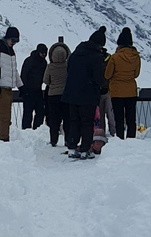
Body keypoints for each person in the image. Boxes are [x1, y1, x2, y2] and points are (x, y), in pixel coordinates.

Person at [61, 27, 106, 159]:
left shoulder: (75, 54)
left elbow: (69, 71)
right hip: (87, 94)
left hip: (71, 94)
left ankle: (72, 147)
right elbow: (98, 78)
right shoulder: (96, 57)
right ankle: (84, 149)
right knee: (87, 122)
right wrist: (101, 86)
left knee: (74, 121)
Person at [0, 27, 23, 142]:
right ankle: (4, 139)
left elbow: (14, 71)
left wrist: (20, 85)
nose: (14, 43)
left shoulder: (10, 51)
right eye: (13, 40)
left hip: (8, 87)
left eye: (16, 41)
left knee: (4, 115)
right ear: (7, 37)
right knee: (5, 116)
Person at [105, 27, 142, 139]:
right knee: (131, 118)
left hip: (117, 92)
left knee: (119, 118)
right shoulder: (136, 57)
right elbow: (136, 74)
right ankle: (131, 138)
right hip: (131, 91)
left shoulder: (114, 57)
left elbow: (107, 75)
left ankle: (120, 138)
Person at [43, 39, 71, 147]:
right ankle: (68, 140)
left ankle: (53, 140)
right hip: (66, 95)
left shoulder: (50, 67)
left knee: (54, 120)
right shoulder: (68, 66)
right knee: (67, 119)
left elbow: (45, 80)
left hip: (53, 96)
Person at [20, 43, 48, 130]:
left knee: (40, 112)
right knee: (28, 113)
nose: (43, 55)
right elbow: (23, 76)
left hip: (37, 90)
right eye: (42, 53)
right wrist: (24, 89)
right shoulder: (30, 61)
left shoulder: (43, 62)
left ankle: (36, 129)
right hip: (29, 90)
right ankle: (27, 130)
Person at [98, 46, 117, 137]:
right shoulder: (110, 59)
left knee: (100, 113)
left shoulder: (95, 60)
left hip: (99, 90)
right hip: (109, 89)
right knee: (110, 112)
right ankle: (113, 132)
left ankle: (102, 132)